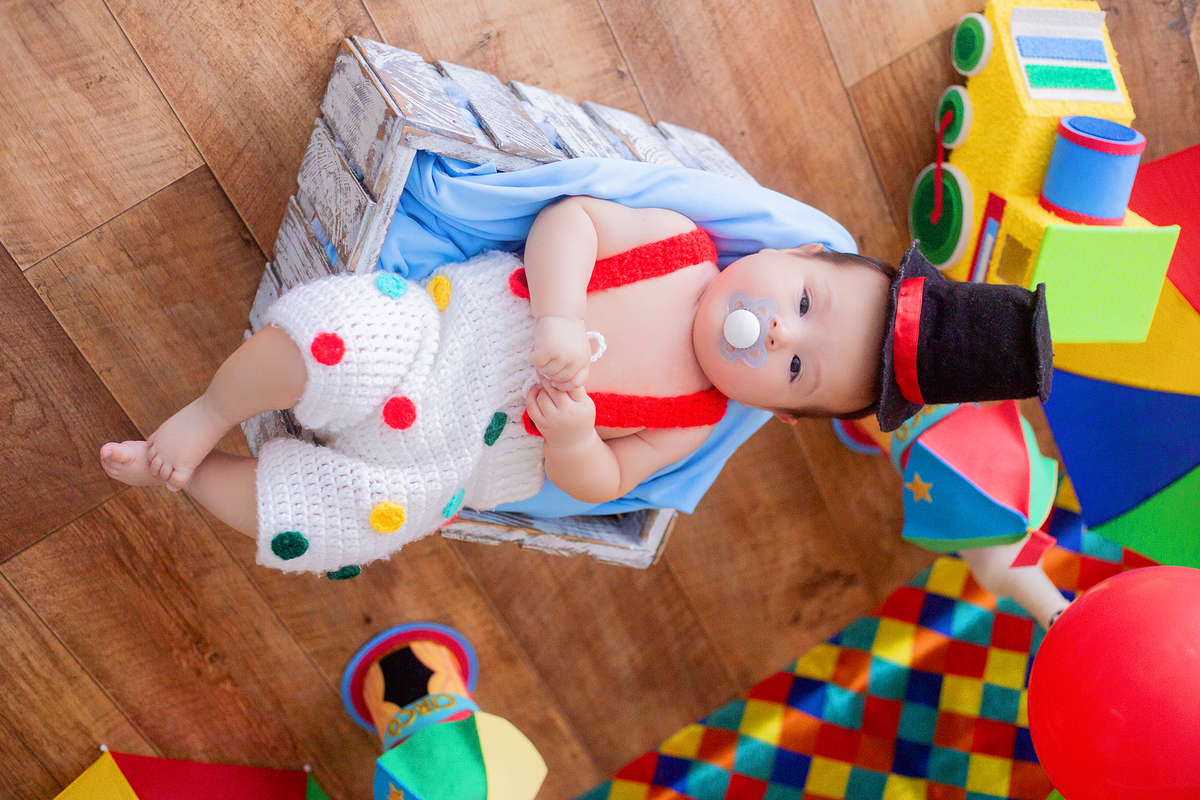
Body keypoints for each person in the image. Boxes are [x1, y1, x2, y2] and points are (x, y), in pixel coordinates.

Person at [100, 195, 1051, 576]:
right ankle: (208, 411)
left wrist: (574, 441)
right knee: (343, 335)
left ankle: (192, 477)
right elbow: (568, 222)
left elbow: (606, 485)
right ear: (797, 251)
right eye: (802, 297)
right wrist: (557, 313)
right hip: (447, 344)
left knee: (345, 522)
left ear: (780, 409)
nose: (776, 331)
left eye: (795, 368)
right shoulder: (680, 249)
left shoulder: (699, 416)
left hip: (455, 468)